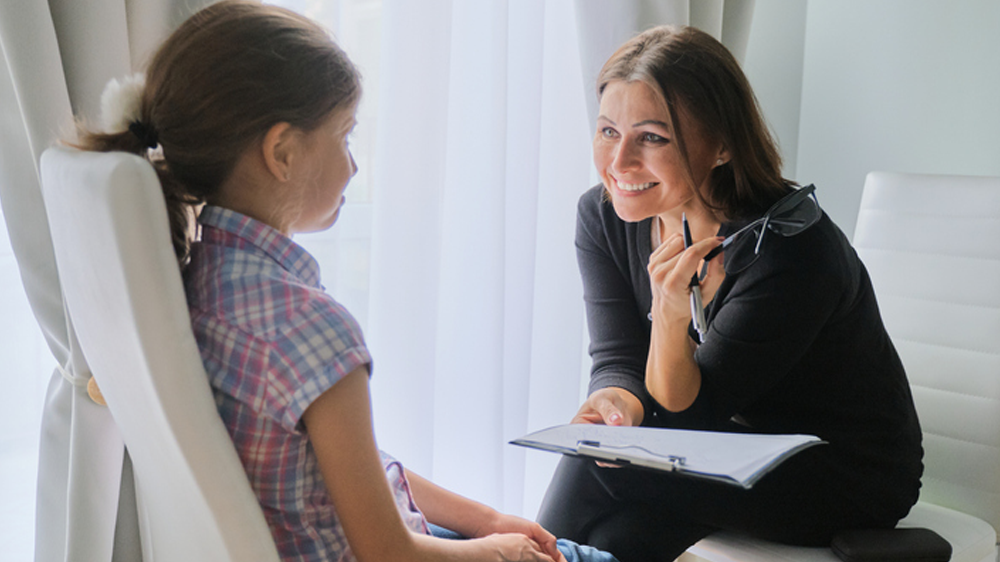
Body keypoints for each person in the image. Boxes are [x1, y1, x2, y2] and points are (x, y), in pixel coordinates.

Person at [71, 2, 619, 561]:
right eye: (345, 135)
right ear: (282, 152)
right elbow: (388, 552)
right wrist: (499, 551)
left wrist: (486, 521)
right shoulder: (311, 328)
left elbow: (355, 469)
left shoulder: (199, 283)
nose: (354, 165)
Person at [536, 25, 923, 562]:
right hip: (723, 449)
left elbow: (690, 420)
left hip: (840, 471)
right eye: (607, 131)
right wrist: (617, 402)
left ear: (721, 144)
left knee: (595, 466)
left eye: (652, 137)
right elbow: (618, 358)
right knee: (617, 541)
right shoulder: (603, 215)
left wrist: (670, 315)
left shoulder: (792, 251)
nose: (619, 163)